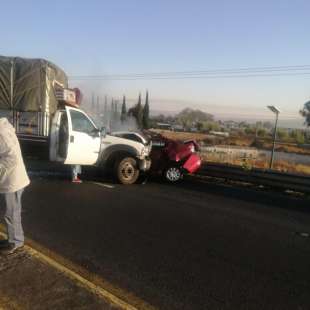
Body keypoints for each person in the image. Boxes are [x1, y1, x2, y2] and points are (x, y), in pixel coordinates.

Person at [0, 117, 30, 255]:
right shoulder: (5, 128)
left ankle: (15, 242)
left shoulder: (1, 133)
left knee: (10, 213)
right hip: (13, 178)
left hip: (12, 180)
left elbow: (11, 158)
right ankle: (14, 239)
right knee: (13, 212)